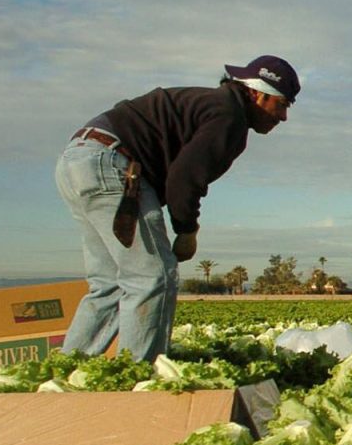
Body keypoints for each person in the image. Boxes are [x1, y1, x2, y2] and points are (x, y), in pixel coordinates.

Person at [55, 55, 300, 361]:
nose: (284, 117)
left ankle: (67, 373)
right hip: (114, 165)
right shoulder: (229, 116)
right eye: (283, 104)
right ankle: (140, 381)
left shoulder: (211, 104)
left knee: (109, 285)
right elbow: (183, 179)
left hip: (78, 160)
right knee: (153, 277)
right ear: (258, 93)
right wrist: (187, 230)